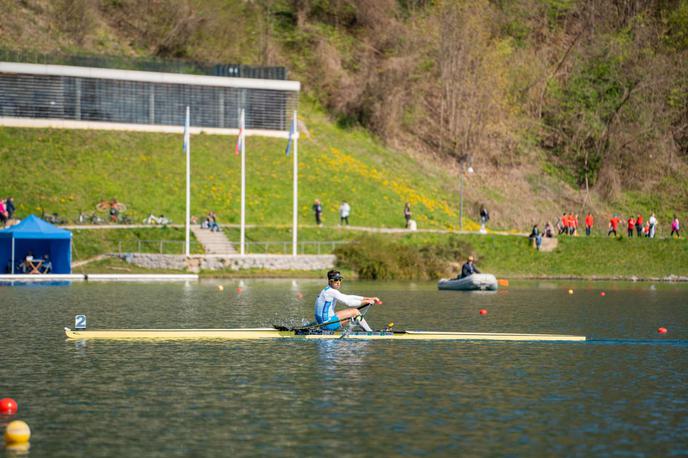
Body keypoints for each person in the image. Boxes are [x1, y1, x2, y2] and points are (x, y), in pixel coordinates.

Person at [314, 270, 380, 332]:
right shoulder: (331, 291)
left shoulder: (326, 290)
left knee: (351, 314)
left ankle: (362, 328)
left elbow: (348, 297)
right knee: (355, 312)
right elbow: (348, 303)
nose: (338, 282)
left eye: (340, 279)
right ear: (330, 281)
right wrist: (367, 302)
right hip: (327, 325)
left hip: (322, 324)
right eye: (336, 280)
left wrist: (368, 298)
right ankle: (369, 332)